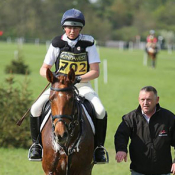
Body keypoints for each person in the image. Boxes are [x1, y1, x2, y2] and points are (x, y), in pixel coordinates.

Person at [28, 8, 108, 164]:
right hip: (59, 87)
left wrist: (78, 78)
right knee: (35, 108)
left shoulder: (88, 43)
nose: (72, 30)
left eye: (76, 27)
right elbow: (43, 68)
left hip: (82, 85)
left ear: (81, 28)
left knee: (100, 110)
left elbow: (95, 71)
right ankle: (36, 145)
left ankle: (99, 148)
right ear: (64, 27)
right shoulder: (57, 43)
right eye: (69, 27)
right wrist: (53, 78)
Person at [114, 86, 175, 175]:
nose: (145, 103)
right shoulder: (131, 118)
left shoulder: (169, 118)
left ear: (157, 100)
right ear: (139, 100)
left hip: (163, 171)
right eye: (142, 99)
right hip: (138, 171)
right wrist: (121, 149)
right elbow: (121, 135)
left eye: (149, 99)